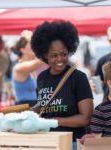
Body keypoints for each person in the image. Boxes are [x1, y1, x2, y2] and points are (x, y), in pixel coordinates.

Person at [31, 21, 94, 149]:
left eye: (63, 54)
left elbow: (85, 118)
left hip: (72, 143)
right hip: (46, 142)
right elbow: (45, 105)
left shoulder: (78, 78)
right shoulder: (42, 77)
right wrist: (29, 113)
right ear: (45, 55)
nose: (60, 59)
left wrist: (53, 121)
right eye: (54, 55)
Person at [12, 30, 44, 107]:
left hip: (31, 106)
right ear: (22, 49)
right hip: (23, 108)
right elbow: (40, 62)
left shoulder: (30, 68)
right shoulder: (19, 67)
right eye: (30, 44)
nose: (33, 46)